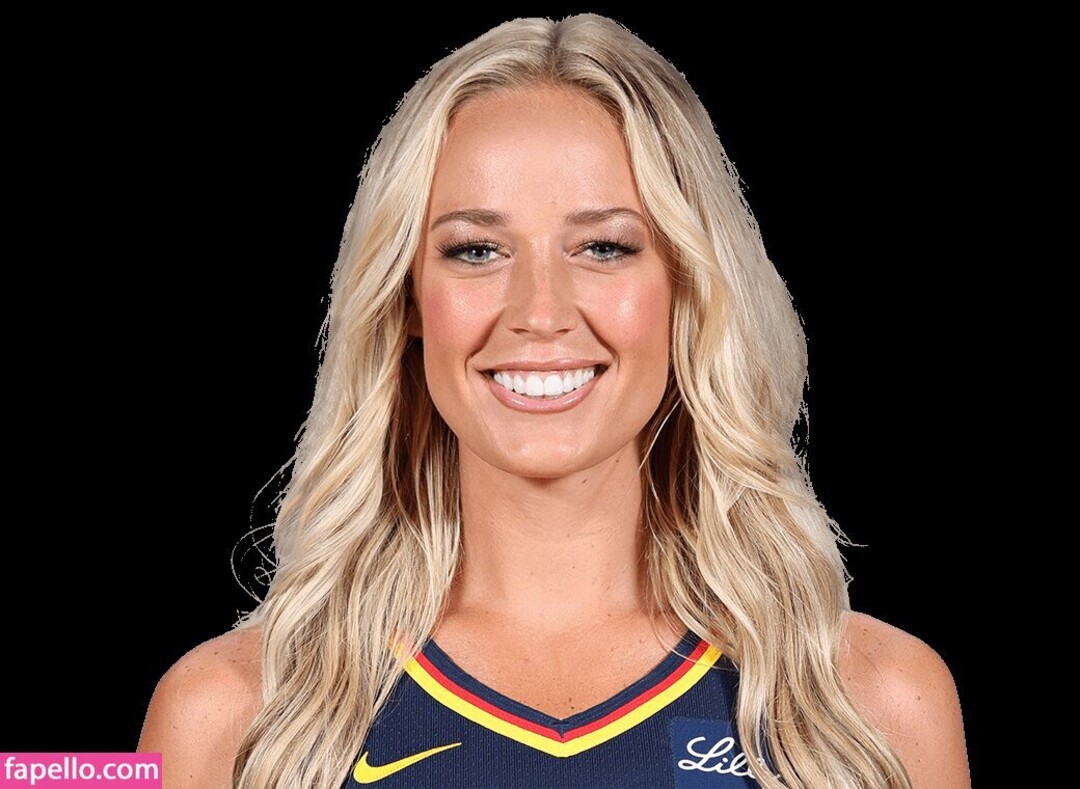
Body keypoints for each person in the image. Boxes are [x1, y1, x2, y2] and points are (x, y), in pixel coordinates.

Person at [137, 14, 969, 789]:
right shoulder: (229, 714)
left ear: (687, 287)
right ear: (407, 297)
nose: (540, 311)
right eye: (477, 249)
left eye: (603, 246)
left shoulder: (874, 704)